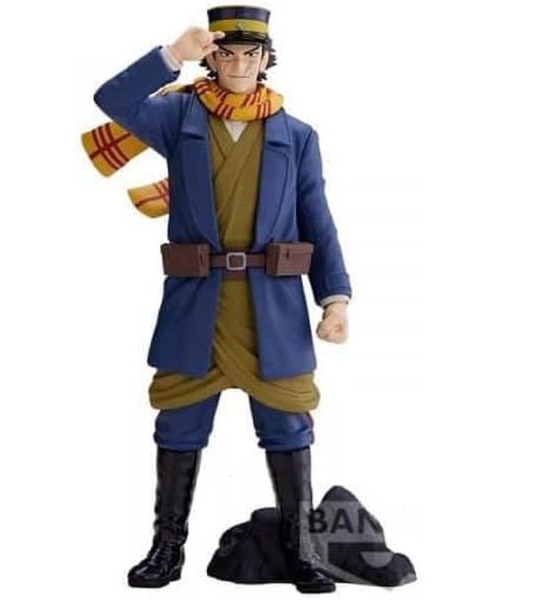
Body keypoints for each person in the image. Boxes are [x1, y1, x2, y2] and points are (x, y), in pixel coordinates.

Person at [92, 5, 352, 594]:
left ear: (266, 59)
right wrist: (171, 55)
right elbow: (112, 99)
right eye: (226, 54)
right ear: (212, 58)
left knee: (288, 425)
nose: (238, 65)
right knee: (179, 424)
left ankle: (301, 549)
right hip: (197, 303)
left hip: (273, 307)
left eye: (250, 54)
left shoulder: (295, 134)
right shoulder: (179, 116)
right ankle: (167, 548)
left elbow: (317, 219)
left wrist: (334, 298)